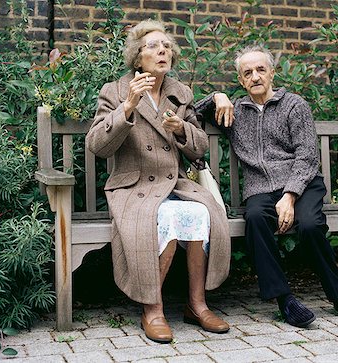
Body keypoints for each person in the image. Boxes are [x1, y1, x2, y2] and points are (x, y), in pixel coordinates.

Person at [195, 44, 338, 328]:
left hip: (302, 184)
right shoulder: (235, 110)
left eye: (261, 69)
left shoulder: (294, 105)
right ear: (241, 80)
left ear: (272, 72)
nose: (255, 76)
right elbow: (190, 112)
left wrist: (290, 195)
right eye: (247, 72)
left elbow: (307, 155)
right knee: (256, 218)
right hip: (260, 189)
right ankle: (285, 300)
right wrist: (217, 96)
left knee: (310, 225)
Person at [85, 20, 230, 343]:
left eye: (166, 46)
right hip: (133, 186)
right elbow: (97, 145)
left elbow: (200, 147)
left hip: (174, 183)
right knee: (166, 215)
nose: (162, 50)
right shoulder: (116, 91)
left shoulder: (180, 94)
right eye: (153, 46)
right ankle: (153, 309)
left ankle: (197, 304)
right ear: (138, 58)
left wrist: (181, 129)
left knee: (201, 213)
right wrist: (127, 108)